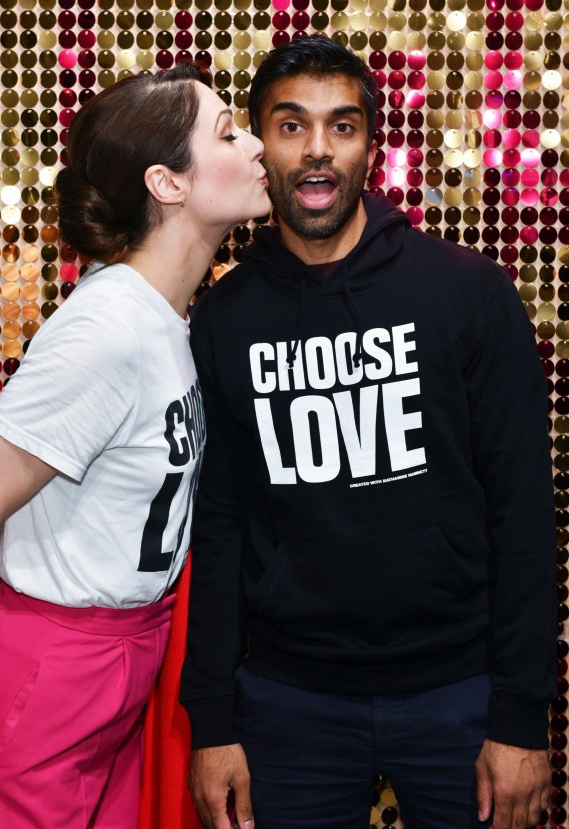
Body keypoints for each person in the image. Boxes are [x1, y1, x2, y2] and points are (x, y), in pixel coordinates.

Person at [180, 35, 555, 829]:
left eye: (341, 126)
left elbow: (523, 512)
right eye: (292, 125)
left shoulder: (468, 295)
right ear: (260, 146)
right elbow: (217, 526)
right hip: (288, 703)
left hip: (461, 693)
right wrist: (211, 721)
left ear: (371, 147)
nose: (318, 150)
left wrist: (522, 713)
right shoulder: (224, 318)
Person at [0, 62, 270, 829]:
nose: (254, 146)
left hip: (122, 669)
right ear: (167, 183)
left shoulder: (164, 318)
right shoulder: (105, 327)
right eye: (227, 132)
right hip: (50, 668)